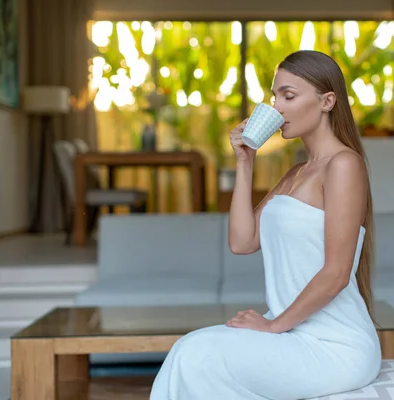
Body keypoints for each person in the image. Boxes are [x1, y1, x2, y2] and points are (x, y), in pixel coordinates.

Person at [149, 50, 381, 400]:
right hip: (293, 332)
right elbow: (242, 242)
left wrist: (273, 326)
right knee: (188, 350)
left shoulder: (344, 165)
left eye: (288, 96)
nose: (277, 107)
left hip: (335, 345)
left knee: (198, 357)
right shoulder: (295, 174)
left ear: (327, 101)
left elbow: (336, 274)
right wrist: (245, 161)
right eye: (274, 96)